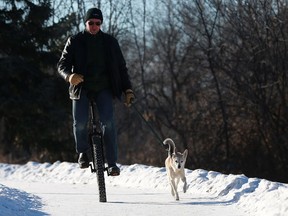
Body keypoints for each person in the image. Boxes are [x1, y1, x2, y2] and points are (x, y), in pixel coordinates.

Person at [57, 8, 135, 176]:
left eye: (97, 23)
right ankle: (83, 153)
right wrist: (69, 76)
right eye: (91, 23)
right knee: (80, 122)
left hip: (104, 88)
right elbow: (61, 65)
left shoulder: (110, 42)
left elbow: (121, 68)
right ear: (85, 23)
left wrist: (127, 89)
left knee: (108, 122)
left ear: (101, 24)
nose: (94, 26)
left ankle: (113, 163)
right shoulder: (75, 41)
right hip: (81, 88)